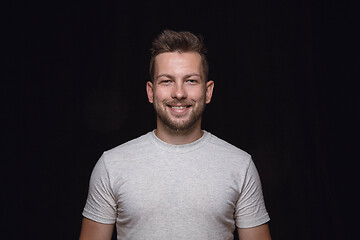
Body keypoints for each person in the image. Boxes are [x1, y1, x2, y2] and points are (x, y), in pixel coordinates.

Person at [79, 30, 271, 240]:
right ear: (151, 92)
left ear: (208, 92)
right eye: (167, 81)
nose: (179, 93)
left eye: (190, 81)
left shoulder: (239, 165)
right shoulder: (112, 165)